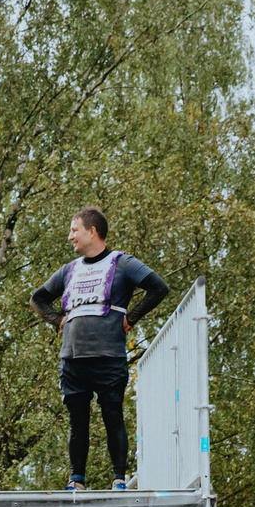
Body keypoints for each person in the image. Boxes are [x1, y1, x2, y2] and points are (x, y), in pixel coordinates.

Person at [32, 206, 169, 492]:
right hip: (72, 357)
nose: (70, 237)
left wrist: (131, 318)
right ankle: (76, 480)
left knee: (112, 414)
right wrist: (57, 320)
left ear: (92, 231)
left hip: (109, 355)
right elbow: (39, 298)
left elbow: (158, 287)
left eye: (74, 230)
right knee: (77, 419)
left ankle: (119, 479)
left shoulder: (122, 263)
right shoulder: (69, 270)